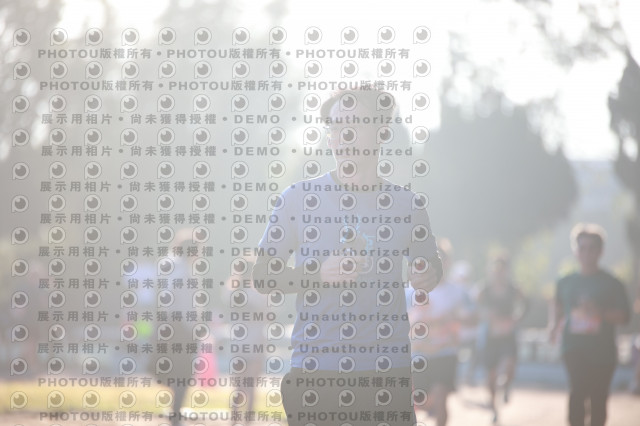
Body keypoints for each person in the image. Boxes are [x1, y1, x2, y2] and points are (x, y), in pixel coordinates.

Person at [252, 87, 443, 426]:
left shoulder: (409, 205)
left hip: (387, 375)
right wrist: (317, 274)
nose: (343, 136)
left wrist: (428, 273)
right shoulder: (297, 198)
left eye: (354, 124)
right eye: (336, 127)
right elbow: (263, 275)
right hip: (317, 376)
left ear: (381, 132)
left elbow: (431, 264)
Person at [550, 223, 631, 426]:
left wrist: (600, 312)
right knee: (578, 390)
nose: (586, 253)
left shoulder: (612, 283)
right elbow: (557, 306)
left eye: (591, 248)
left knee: (598, 398)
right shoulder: (565, 282)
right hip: (573, 347)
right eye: (582, 248)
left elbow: (624, 317)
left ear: (600, 251)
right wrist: (552, 327)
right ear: (575, 250)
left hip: (603, 352)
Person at [407, 238, 475, 426]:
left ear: (447, 262)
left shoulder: (458, 292)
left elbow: (474, 319)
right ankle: (429, 409)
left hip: (446, 352)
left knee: (441, 396)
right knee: (423, 401)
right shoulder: (411, 291)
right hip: (419, 353)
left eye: (440, 259)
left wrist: (455, 318)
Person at [477, 253, 529, 424]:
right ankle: (494, 408)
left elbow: (526, 304)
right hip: (491, 337)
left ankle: (506, 385)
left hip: (507, 336)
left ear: (506, 271)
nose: (498, 273)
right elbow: (475, 308)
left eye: (502, 269)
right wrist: (486, 314)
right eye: (495, 269)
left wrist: (516, 319)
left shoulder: (513, 289)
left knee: (508, 366)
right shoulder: (484, 289)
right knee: (490, 377)